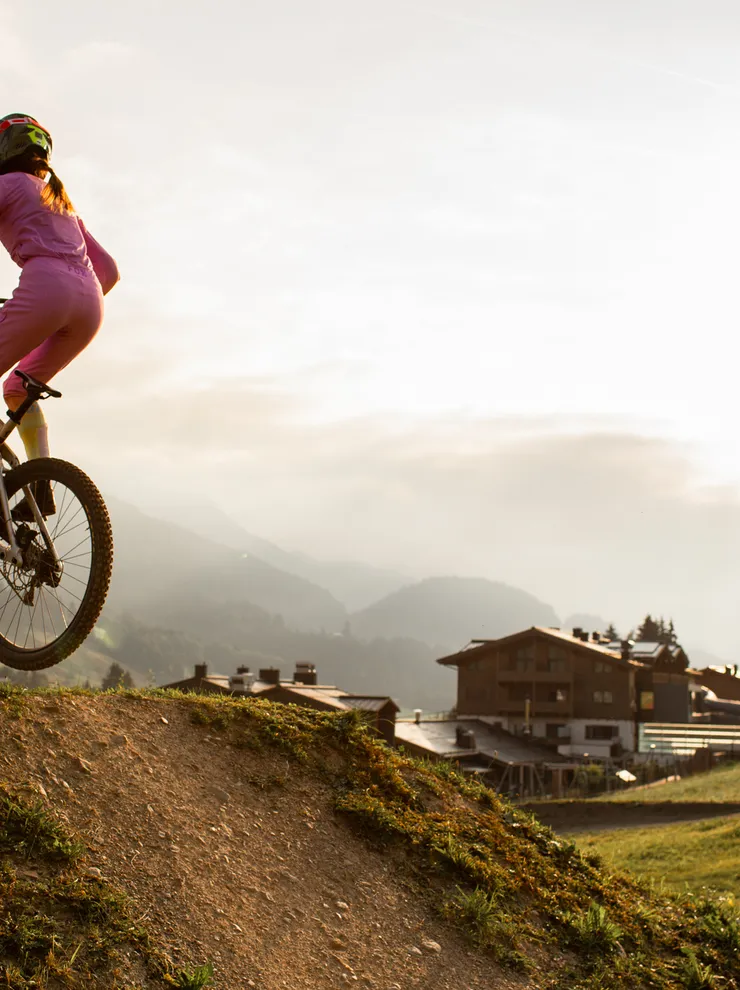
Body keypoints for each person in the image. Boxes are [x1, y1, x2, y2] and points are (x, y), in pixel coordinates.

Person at [0, 112, 119, 518]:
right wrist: (66, 298)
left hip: (45, 289)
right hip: (90, 304)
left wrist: (45, 300)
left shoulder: (7, 184)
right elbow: (110, 272)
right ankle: (40, 486)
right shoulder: (61, 201)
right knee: (18, 387)